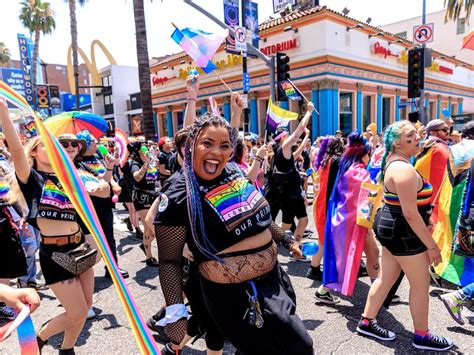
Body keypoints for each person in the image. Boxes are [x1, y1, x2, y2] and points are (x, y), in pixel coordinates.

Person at [154, 113, 313, 355]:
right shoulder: (178, 193)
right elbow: (169, 260)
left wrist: (286, 239)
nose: (216, 151)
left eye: (224, 146)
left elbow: (261, 219)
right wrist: (176, 311)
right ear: (191, 145)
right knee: (300, 347)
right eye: (207, 143)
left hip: (273, 281)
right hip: (235, 296)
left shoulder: (234, 173)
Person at [1, 98, 100, 354]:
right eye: (49, 144)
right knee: (76, 311)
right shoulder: (32, 179)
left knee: (84, 308)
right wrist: (4, 113)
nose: (58, 149)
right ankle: (41, 337)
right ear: (34, 150)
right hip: (55, 255)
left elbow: (89, 208)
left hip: (81, 247)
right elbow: (15, 146)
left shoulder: (70, 178)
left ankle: (67, 349)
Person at [357, 120, 453, 351]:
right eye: (411, 135)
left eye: (416, 133)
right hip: (403, 231)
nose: (418, 137)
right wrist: (431, 246)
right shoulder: (403, 169)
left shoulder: (394, 162)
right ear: (397, 143)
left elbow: (408, 206)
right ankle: (422, 336)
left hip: (392, 227)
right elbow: (410, 213)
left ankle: (367, 321)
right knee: (420, 285)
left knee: (386, 277)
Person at [322, 133, 379, 297]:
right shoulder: (358, 172)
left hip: (347, 220)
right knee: (344, 260)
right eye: (369, 154)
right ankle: (324, 290)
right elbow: (366, 198)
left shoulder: (347, 167)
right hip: (353, 222)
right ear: (364, 154)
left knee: (372, 252)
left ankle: (379, 289)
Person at [76, 130, 128, 279]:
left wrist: (112, 182)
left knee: (108, 237)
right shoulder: (77, 162)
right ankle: (83, 272)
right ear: (84, 144)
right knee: (87, 240)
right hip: (88, 206)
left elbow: (103, 174)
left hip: (104, 204)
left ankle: (113, 268)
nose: (97, 143)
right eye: (93, 141)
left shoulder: (98, 156)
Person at [266, 104, 314, 248]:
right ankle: (270, 243)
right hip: (288, 195)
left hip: (295, 193)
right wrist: (308, 112)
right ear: (283, 137)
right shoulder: (283, 148)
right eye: (287, 133)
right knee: (285, 225)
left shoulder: (284, 152)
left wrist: (307, 137)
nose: (289, 134)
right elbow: (298, 130)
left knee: (304, 220)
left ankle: (296, 246)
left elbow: (296, 154)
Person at [131, 142, 159, 267]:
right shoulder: (135, 164)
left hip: (153, 196)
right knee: (149, 226)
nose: (148, 149)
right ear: (139, 152)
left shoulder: (153, 161)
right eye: (145, 148)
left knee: (153, 230)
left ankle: (145, 244)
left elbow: (155, 179)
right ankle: (149, 257)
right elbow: (137, 177)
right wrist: (146, 163)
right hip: (141, 198)